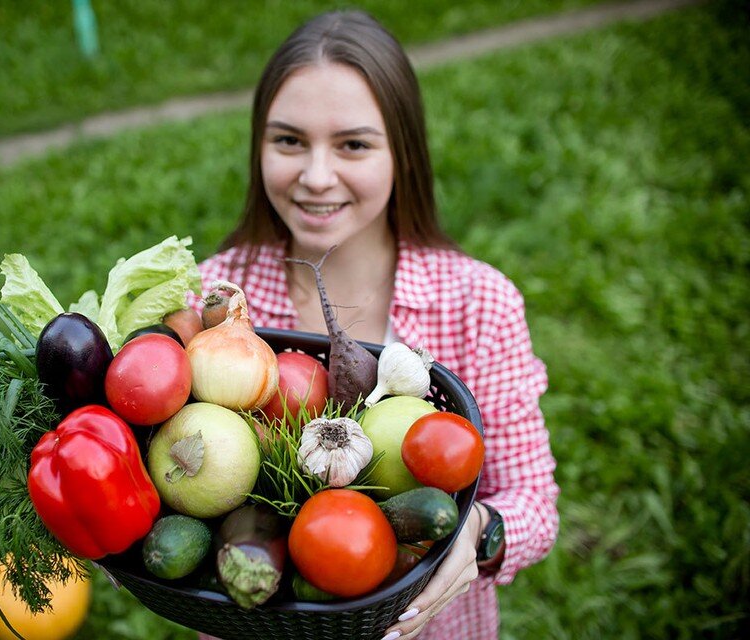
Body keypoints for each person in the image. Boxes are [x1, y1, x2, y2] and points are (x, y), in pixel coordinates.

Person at [189, 10, 559, 640]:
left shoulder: (479, 303)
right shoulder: (214, 297)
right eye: (288, 141)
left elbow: (532, 503)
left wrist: (477, 530)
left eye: (353, 144)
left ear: (404, 154)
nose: (316, 176)